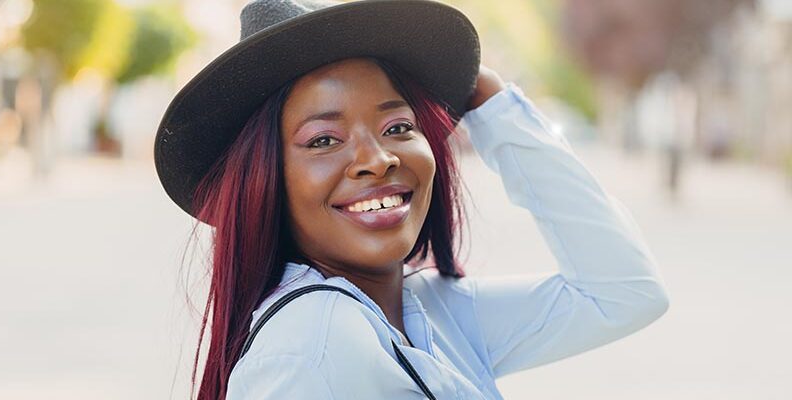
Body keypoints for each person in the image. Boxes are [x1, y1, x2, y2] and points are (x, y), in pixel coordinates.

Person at [154, 1, 670, 399]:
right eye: (322, 140)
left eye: (398, 126)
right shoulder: (314, 344)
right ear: (264, 181)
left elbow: (624, 294)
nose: (377, 159)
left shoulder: (431, 311)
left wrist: (493, 106)